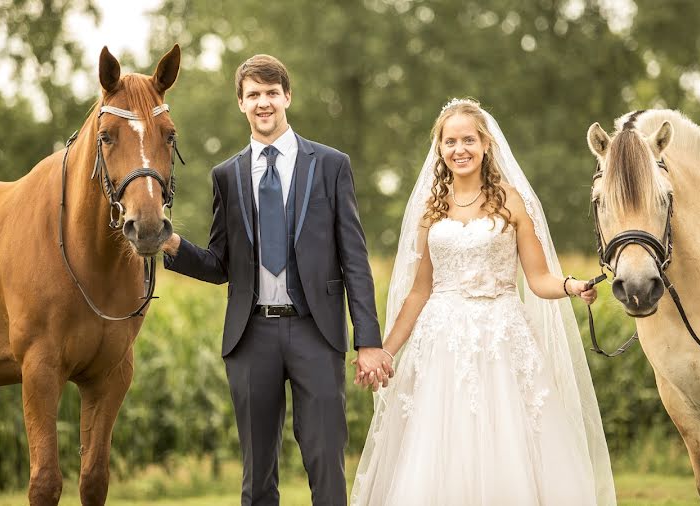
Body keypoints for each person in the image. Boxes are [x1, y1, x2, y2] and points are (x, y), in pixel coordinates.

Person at [350, 99, 617, 505]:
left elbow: (539, 277)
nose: (460, 149)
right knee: (439, 447)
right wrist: (386, 351)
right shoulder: (431, 210)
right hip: (441, 342)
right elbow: (420, 291)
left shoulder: (510, 201)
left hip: (501, 339)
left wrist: (571, 286)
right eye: (450, 141)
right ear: (440, 149)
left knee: (507, 442)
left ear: (486, 143)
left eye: (469, 140)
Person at [161, 54, 391, 506]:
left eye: (271, 93)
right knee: (257, 474)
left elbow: (355, 259)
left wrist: (368, 339)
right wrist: (172, 245)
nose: (263, 102)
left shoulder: (330, 165)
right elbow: (219, 264)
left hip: (316, 331)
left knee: (326, 461)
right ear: (241, 104)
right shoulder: (225, 176)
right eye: (253, 95)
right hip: (251, 337)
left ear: (287, 96)